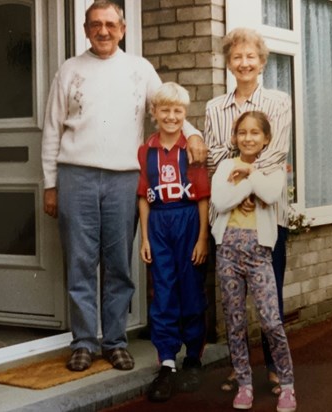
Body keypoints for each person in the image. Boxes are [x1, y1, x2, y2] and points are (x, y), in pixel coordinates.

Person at [41, 0, 207, 372]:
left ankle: (114, 341)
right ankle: (84, 341)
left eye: (111, 24)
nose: (103, 31)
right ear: (86, 30)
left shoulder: (139, 68)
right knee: (81, 261)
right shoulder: (69, 70)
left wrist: (192, 135)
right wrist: (50, 184)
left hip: (124, 178)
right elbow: (52, 129)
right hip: (76, 175)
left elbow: (168, 108)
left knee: (118, 263)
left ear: (123, 28)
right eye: (96, 24)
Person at [204, 27, 292, 394]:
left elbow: (276, 152)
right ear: (228, 63)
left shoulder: (279, 101)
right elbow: (214, 157)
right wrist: (241, 181)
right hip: (230, 217)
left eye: (250, 57)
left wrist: (245, 173)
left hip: (268, 213)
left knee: (272, 298)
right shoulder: (214, 107)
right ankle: (240, 371)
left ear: (262, 62)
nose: (244, 63)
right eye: (236, 57)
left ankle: (274, 368)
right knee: (234, 302)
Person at [211, 110, 296, 412]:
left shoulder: (272, 169)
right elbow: (219, 201)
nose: (248, 138)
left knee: (272, 321)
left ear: (266, 138)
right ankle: (244, 383)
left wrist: (248, 176)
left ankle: (287, 385)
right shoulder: (224, 165)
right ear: (235, 137)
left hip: (259, 252)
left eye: (255, 133)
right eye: (242, 132)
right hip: (228, 250)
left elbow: (271, 194)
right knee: (235, 323)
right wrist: (248, 187)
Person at [137, 82, 210, 402]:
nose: (170, 116)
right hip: (159, 223)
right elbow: (142, 196)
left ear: (185, 114)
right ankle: (167, 361)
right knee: (163, 291)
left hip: (188, 221)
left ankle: (193, 356)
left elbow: (203, 198)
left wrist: (202, 238)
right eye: (164, 110)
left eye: (177, 111)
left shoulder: (191, 149)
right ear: (154, 113)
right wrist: (145, 237)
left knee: (191, 289)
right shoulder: (146, 150)